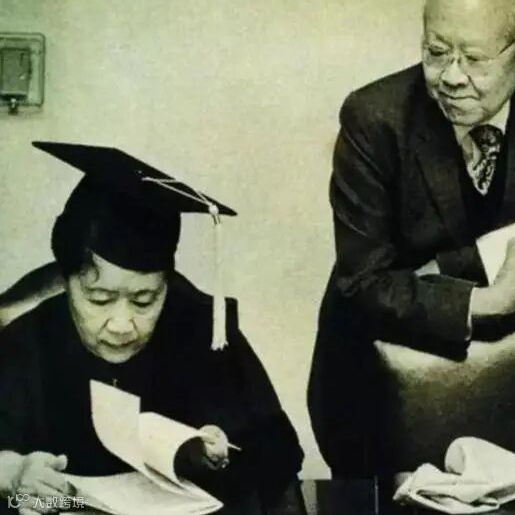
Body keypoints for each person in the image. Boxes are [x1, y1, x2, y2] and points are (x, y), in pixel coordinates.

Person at [308, 0, 515, 476]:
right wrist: (487, 300)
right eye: (436, 51)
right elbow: (363, 284)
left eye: (473, 58)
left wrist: (438, 271)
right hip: (375, 379)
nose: (450, 76)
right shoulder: (373, 118)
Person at [0, 142, 303, 514]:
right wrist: (13, 474)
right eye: (99, 299)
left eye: (144, 300)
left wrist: (217, 457)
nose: (122, 325)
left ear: (166, 284)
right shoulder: (29, 340)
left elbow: (276, 460)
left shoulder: (203, 332)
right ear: (67, 282)